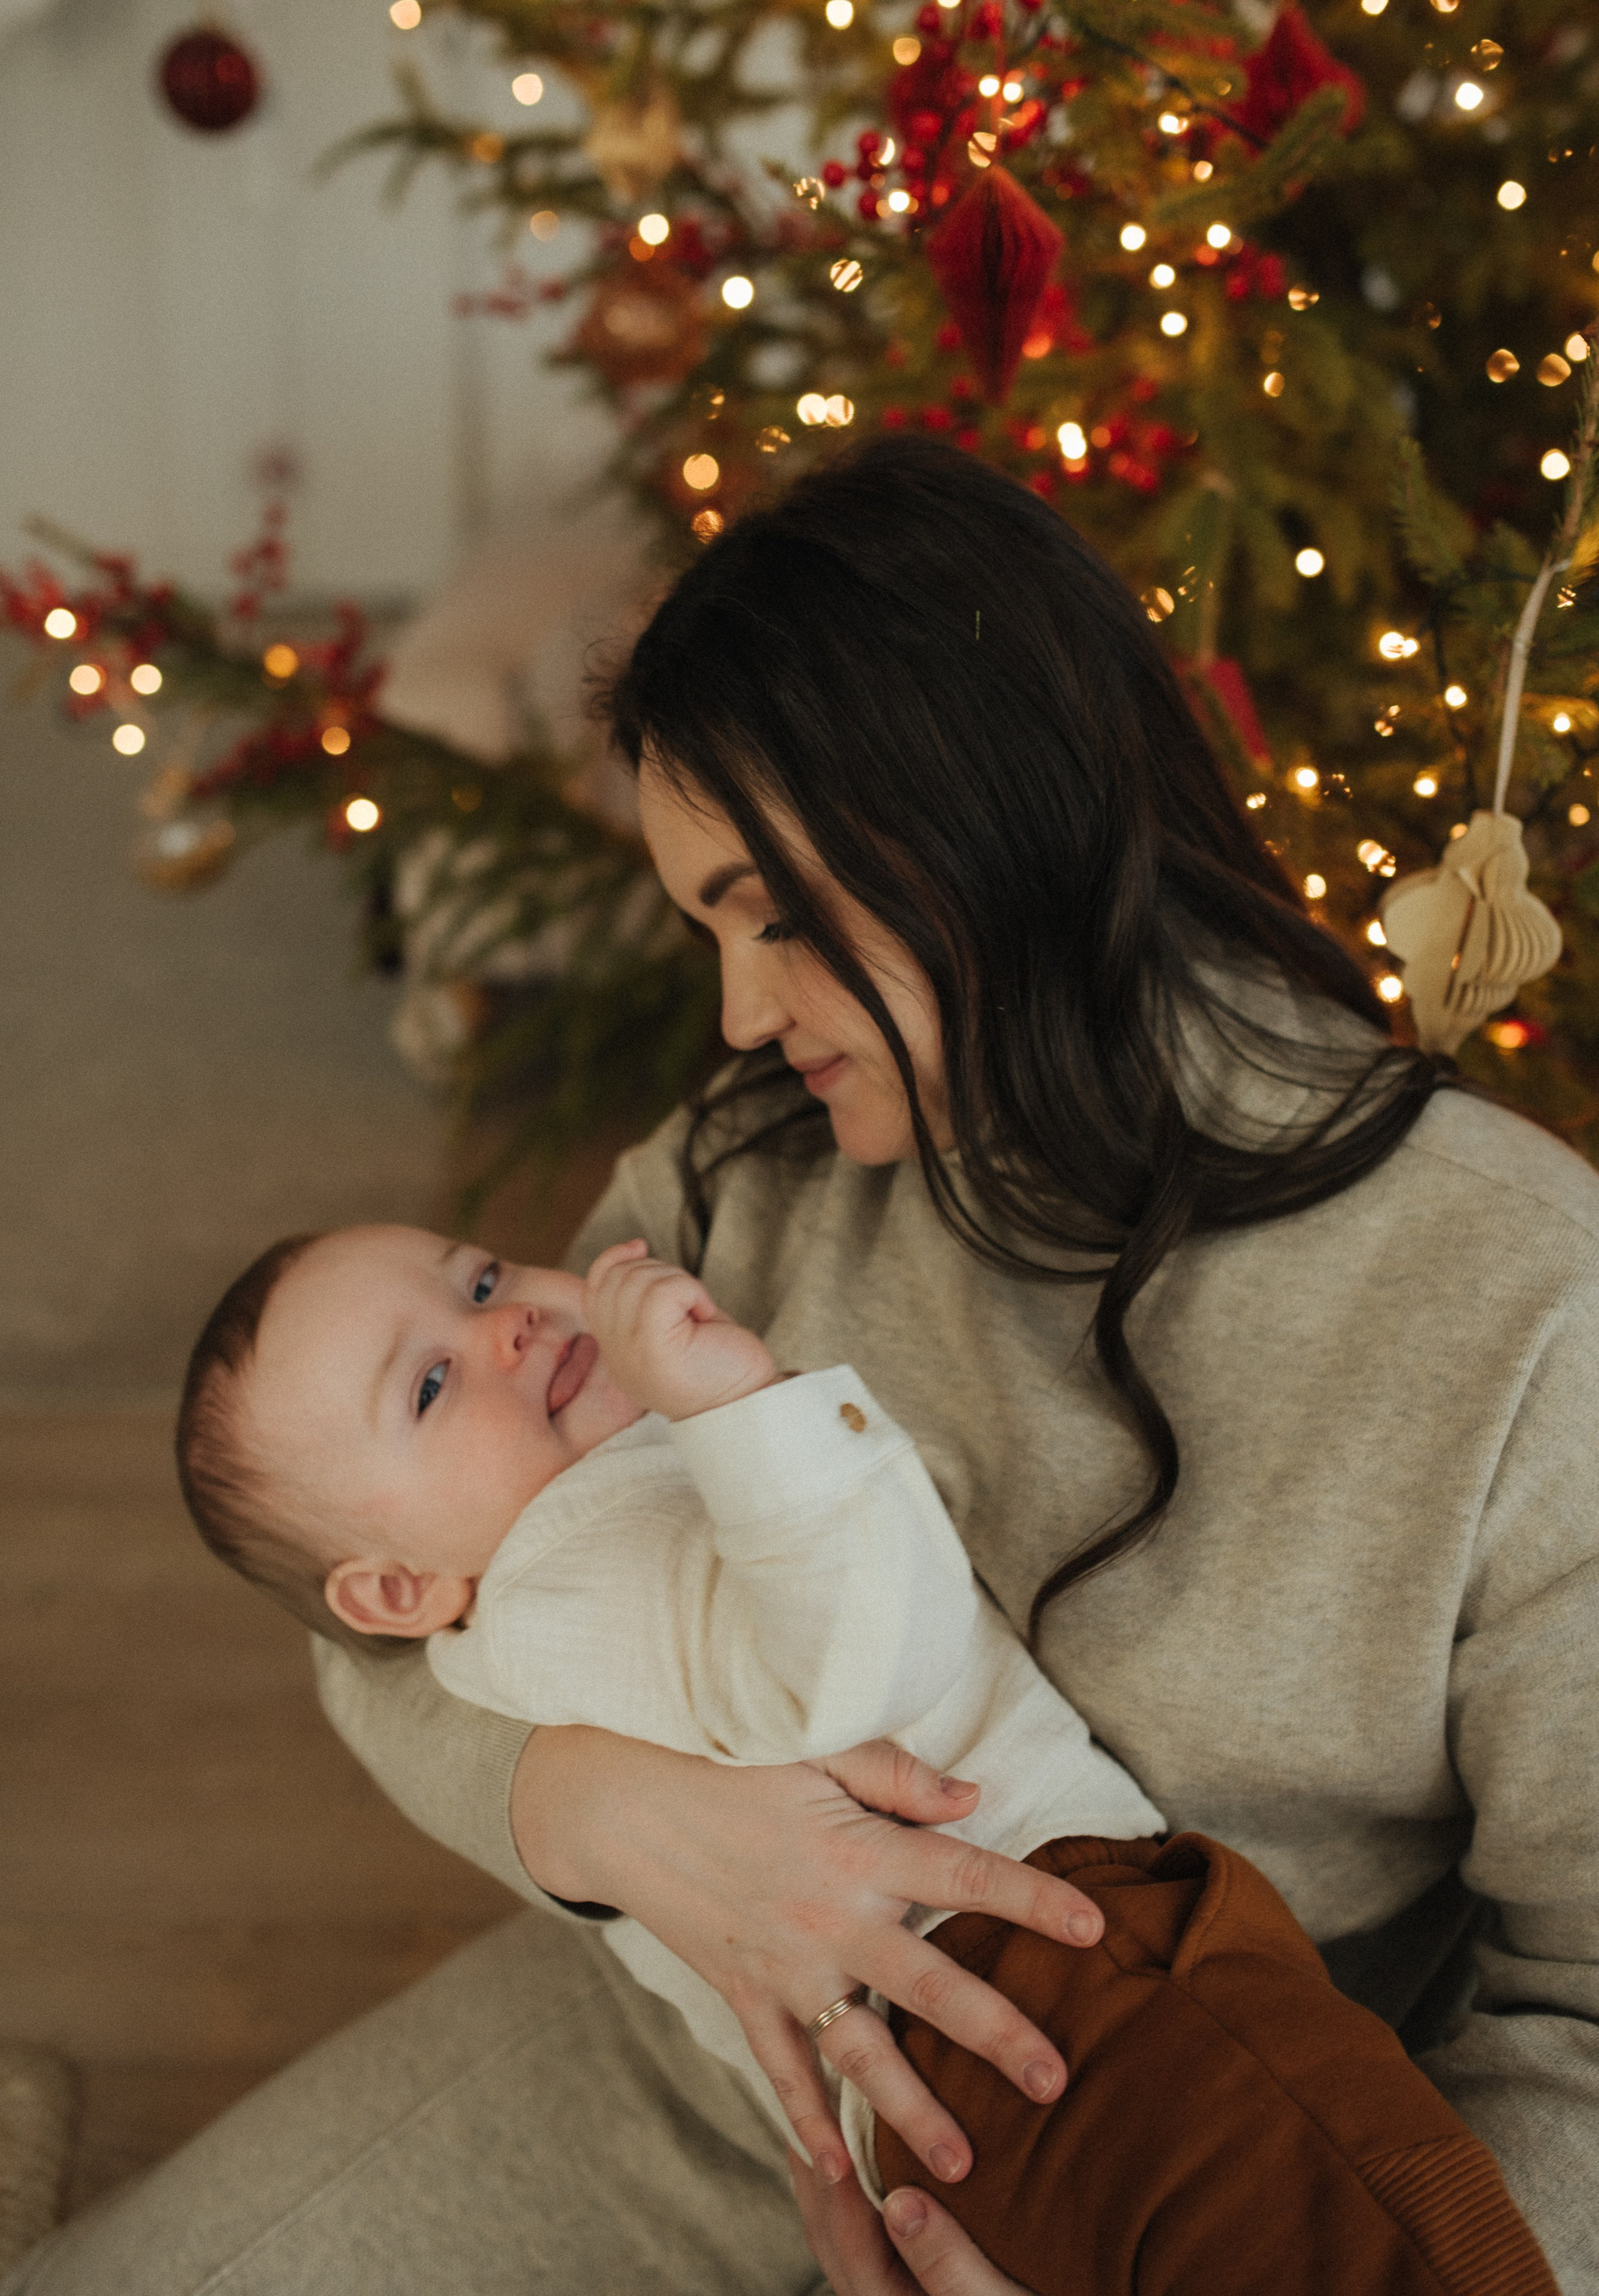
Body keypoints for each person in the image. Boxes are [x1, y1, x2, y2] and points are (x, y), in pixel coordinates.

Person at [11, 437, 1597, 2296]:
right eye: (707, 924)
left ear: (986, 821)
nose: (739, 1015)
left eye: (772, 915)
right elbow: (365, 1582)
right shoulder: (746, 1159)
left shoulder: (1520, 1304)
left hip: (1171, 2176)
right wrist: (605, 1815)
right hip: (707, 2054)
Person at [167, 1223, 1560, 2295]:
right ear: (397, 1599)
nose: (508, 1331)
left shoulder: (511, 1618)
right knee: (1388, 2238)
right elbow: (856, 1668)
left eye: (476, 1284)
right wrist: (748, 1409)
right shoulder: (582, 1552)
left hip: (953, 2089)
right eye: (428, 1382)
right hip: (1054, 1982)